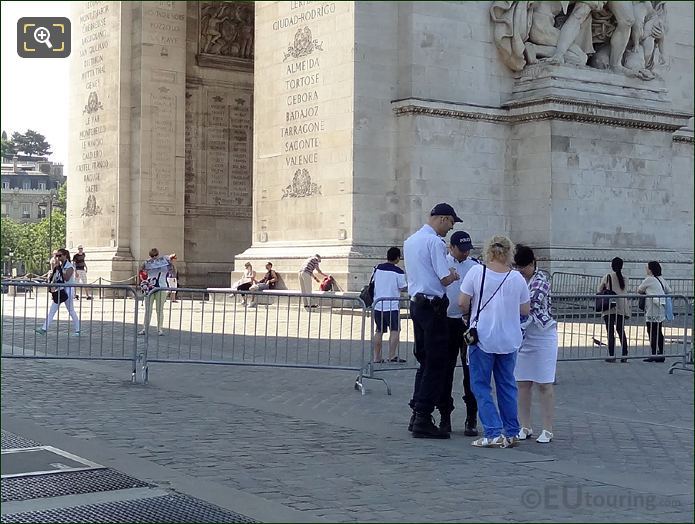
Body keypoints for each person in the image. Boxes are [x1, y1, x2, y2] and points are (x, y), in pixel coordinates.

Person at [459, 236, 530, 448]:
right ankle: (512, 431)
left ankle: (492, 431)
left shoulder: (476, 272)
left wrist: (469, 313)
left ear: (488, 251)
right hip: (509, 338)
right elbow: (525, 310)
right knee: (507, 385)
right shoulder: (516, 278)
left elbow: (462, 302)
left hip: (482, 338)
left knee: (480, 385)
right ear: (510, 252)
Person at [403, 203, 462, 439]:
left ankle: (416, 411)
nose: (450, 228)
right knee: (436, 362)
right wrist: (455, 274)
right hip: (434, 307)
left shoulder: (410, 241)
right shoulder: (434, 242)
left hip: (417, 304)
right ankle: (423, 416)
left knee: (424, 359)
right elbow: (445, 278)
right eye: (451, 223)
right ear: (443, 219)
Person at [513, 244, 557, 444]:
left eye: (523, 267)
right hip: (524, 337)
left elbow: (529, 306)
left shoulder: (542, 279)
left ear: (532, 263)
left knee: (544, 384)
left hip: (542, 334)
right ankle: (525, 425)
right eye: (517, 266)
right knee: (523, 383)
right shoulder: (516, 277)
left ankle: (547, 428)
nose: (520, 271)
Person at [439, 231, 480, 436]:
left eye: (467, 250)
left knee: (469, 371)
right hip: (447, 321)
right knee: (445, 371)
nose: (465, 254)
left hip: (466, 323)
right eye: (461, 250)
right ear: (451, 248)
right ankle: (444, 415)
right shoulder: (443, 263)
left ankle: (471, 417)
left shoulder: (475, 266)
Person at [372, 247, 408, 363]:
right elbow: (402, 287)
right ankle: (391, 355)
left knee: (379, 331)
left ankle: (376, 357)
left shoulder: (377, 268)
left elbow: (372, 282)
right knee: (395, 330)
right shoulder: (398, 272)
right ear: (397, 258)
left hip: (378, 304)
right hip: (392, 305)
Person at [35, 248, 80, 336]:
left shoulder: (69, 266)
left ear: (65, 256)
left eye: (60, 256)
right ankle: (44, 328)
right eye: (57, 256)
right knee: (52, 309)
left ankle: (77, 329)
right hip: (60, 289)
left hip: (68, 289)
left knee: (71, 310)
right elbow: (56, 278)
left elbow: (66, 277)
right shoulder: (59, 266)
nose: (58, 257)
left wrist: (61, 270)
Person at [637, 261, 672, 363]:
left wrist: (649, 291)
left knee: (651, 331)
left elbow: (639, 290)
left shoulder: (649, 279)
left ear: (651, 269)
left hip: (652, 307)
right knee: (659, 330)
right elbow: (668, 290)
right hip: (661, 306)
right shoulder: (661, 279)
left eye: (647, 268)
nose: (646, 269)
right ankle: (661, 353)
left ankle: (653, 353)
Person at [598, 257, 630, 363]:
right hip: (621, 306)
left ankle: (612, 355)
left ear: (612, 266)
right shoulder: (625, 278)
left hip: (609, 307)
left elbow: (599, 289)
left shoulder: (607, 277)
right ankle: (625, 354)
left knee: (610, 331)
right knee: (621, 330)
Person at [139, 248, 176, 336]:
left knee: (159, 310)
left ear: (158, 255)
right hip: (150, 287)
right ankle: (145, 328)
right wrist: (143, 266)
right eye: (152, 256)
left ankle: (159, 329)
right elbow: (141, 270)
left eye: (155, 256)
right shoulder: (147, 262)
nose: (154, 258)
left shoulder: (164, 261)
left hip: (161, 287)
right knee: (148, 309)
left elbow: (172, 270)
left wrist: (171, 262)